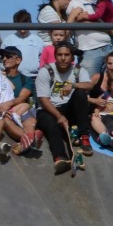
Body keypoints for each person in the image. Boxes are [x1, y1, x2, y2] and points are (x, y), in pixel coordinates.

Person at [34, 42, 94, 175]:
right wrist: (58, 116)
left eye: (66, 55)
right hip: (49, 109)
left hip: (68, 109)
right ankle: (60, 157)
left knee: (80, 93)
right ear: (55, 56)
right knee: (51, 125)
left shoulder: (78, 70)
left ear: (72, 57)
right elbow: (43, 100)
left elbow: (89, 85)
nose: (63, 58)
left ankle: (84, 135)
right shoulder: (46, 71)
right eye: (59, 55)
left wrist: (73, 85)